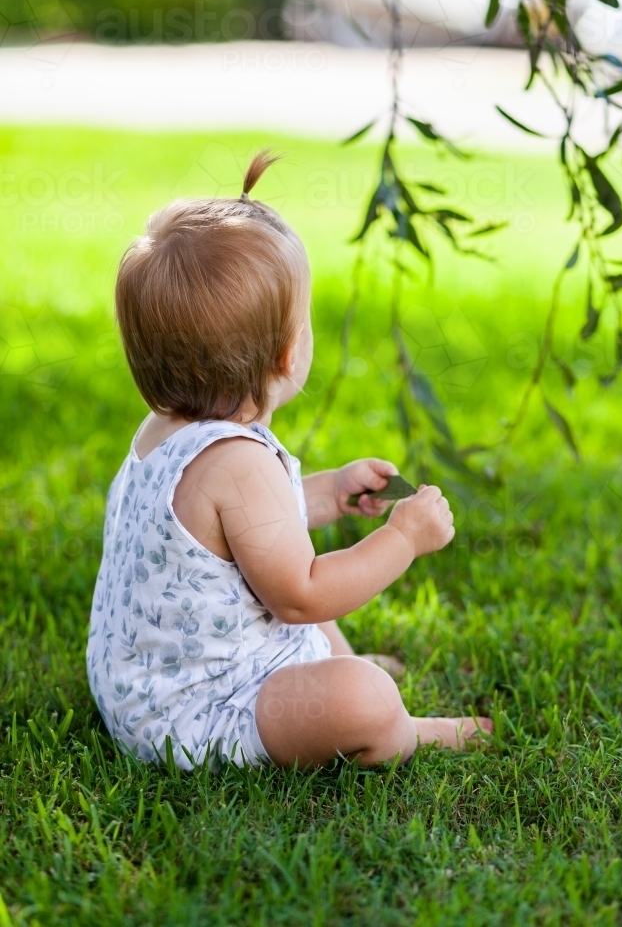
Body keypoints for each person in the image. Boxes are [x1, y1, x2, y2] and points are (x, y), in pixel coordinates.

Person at [86, 151, 493, 771]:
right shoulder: (238, 463)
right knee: (364, 698)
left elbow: (240, 533)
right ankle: (407, 728)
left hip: (141, 685)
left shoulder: (165, 428)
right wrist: (404, 539)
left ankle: (327, 670)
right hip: (199, 712)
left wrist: (330, 492)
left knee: (329, 659)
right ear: (286, 353)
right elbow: (301, 597)